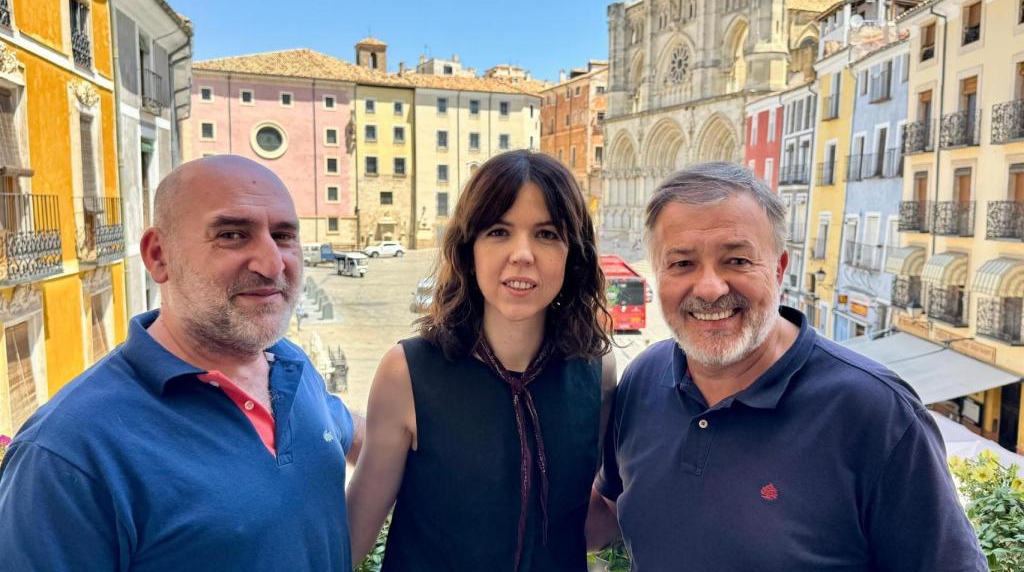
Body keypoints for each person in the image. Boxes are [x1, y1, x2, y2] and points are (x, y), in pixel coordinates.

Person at [587, 162, 987, 571]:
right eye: (682, 264)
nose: (709, 288)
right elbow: (606, 513)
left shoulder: (877, 414)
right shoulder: (643, 378)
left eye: (738, 260)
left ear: (779, 269)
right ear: (657, 274)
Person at [0, 155, 363, 571]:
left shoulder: (290, 365)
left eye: (283, 236)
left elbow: (350, 430)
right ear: (159, 256)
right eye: (231, 235)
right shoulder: (68, 452)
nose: (272, 264)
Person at [346, 150, 616, 571]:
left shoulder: (597, 373)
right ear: (469, 249)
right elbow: (351, 537)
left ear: (572, 254)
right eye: (498, 231)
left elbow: (581, 526)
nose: (522, 253)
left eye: (546, 234)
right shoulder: (408, 372)